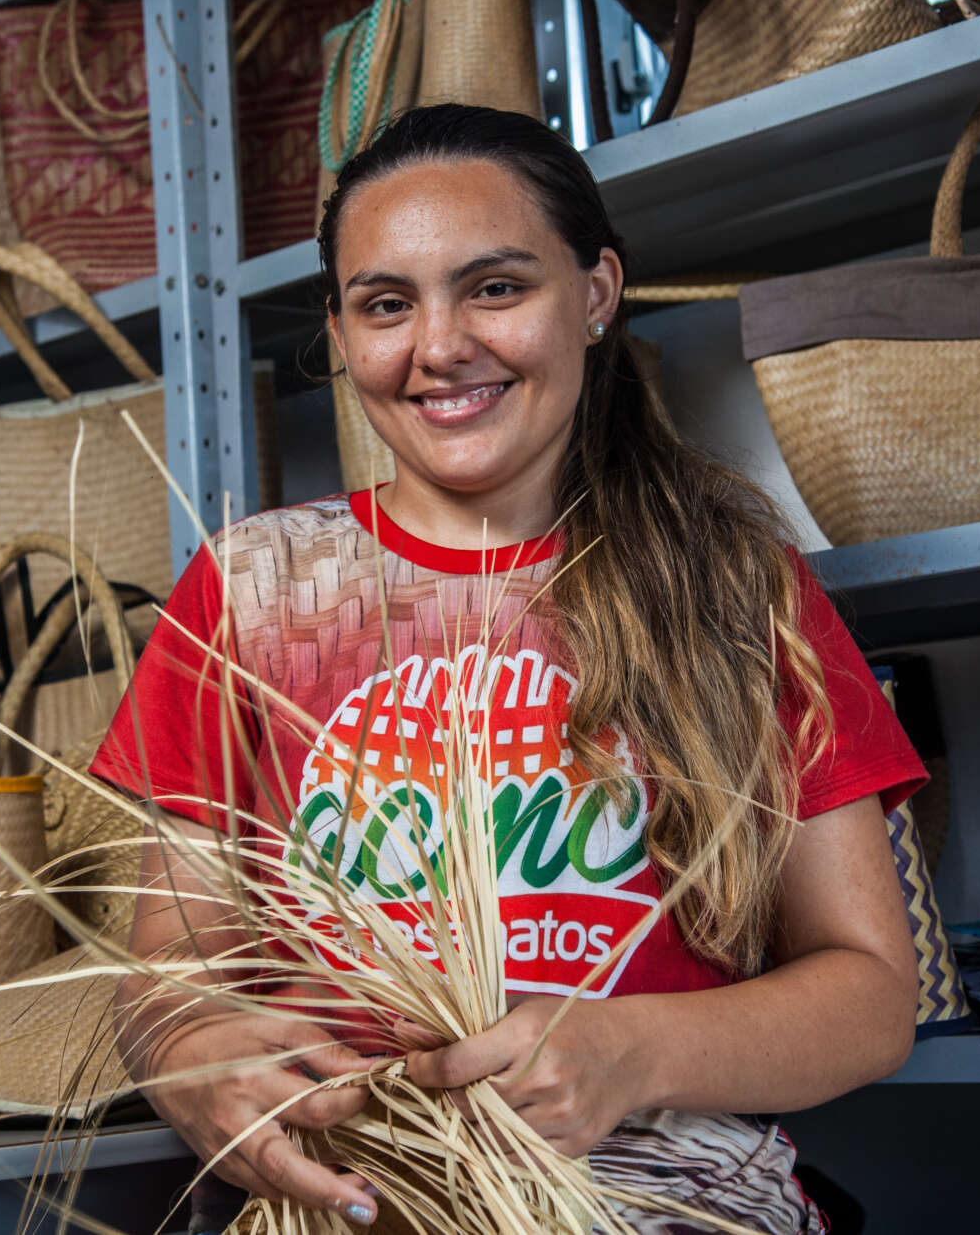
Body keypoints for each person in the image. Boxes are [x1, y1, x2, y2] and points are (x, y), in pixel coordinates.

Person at [92, 104, 926, 1235]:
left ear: (592, 295)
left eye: (494, 288)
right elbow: (164, 966)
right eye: (386, 305)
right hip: (350, 1202)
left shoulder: (733, 586)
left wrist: (630, 1050)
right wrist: (188, 1056)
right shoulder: (253, 590)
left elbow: (872, 996)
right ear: (339, 338)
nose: (437, 346)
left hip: (652, 1200)